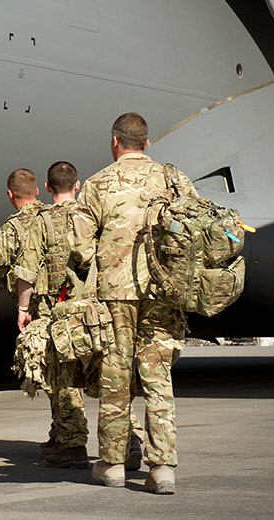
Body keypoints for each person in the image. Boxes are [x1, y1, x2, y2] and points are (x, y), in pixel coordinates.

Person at [71, 113, 194, 494]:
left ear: (115, 142)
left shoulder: (97, 184)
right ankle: (163, 468)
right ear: (147, 143)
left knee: (116, 378)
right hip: (163, 293)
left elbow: (79, 246)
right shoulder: (173, 181)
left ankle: (112, 464)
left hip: (115, 295)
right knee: (158, 378)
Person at [15, 161, 90, 469]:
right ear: (77, 185)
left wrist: (22, 308)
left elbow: (27, 271)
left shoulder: (41, 222)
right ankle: (130, 445)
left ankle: (73, 447)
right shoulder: (91, 216)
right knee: (111, 376)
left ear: (46, 188)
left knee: (64, 378)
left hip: (56, 311)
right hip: (95, 309)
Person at [0, 169, 45, 299]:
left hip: (34, 303)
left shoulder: (11, 228)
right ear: (37, 191)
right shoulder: (53, 217)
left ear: (11, 194)